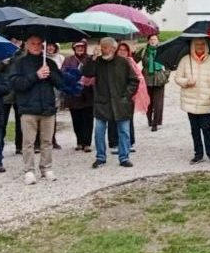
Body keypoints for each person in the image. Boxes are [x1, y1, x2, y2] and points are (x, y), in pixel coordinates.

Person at [8, 35, 65, 185]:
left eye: (39, 44)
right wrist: (36, 75)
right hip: (28, 107)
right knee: (28, 142)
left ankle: (46, 168)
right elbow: (16, 84)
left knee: (47, 141)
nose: (36, 46)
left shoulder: (49, 62)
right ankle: (29, 170)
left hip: (47, 107)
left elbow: (61, 83)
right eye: (33, 43)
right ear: (27, 45)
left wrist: (50, 74)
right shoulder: (19, 63)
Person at [84, 37, 140, 169]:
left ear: (113, 49)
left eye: (105, 47)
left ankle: (124, 157)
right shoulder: (97, 61)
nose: (102, 50)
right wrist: (92, 59)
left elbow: (134, 80)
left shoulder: (123, 62)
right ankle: (100, 157)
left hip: (121, 103)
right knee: (99, 132)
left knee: (124, 131)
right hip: (102, 103)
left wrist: (126, 96)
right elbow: (87, 73)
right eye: (101, 47)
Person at [175, 37, 210, 165]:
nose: (200, 46)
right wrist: (186, 81)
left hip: (206, 101)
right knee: (194, 129)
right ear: (192, 46)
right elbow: (177, 77)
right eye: (197, 44)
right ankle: (198, 154)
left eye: (202, 44)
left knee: (207, 128)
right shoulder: (185, 60)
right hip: (190, 101)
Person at [62, 40, 94, 152]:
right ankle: (79, 141)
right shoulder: (68, 60)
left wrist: (88, 79)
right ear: (74, 48)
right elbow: (63, 73)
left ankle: (87, 143)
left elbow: (95, 72)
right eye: (77, 47)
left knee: (88, 120)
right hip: (73, 94)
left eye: (82, 47)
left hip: (88, 94)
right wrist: (71, 77)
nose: (80, 49)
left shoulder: (90, 59)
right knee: (76, 120)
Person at [115, 41, 148, 152]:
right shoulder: (113, 62)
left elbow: (139, 78)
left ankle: (129, 142)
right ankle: (116, 143)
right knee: (115, 120)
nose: (122, 52)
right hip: (115, 95)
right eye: (120, 50)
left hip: (128, 95)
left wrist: (130, 92)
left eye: (125, 50)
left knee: (128, 119)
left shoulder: (130, 62)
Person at [139, 33, 169, 132]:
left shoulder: (162, 50)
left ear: (158, 41)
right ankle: (149, 120)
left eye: (155, 39)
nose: (153, 41)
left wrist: (166, 75)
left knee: (158, 103)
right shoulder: (144, 51)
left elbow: (169, 64)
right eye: (151, 39)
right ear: (148, 41)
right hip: (147, 79)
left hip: (159, 79)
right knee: (148, 102)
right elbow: (133, 60)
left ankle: (156, 123)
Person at [44, 42, 64, 150]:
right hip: (46, 88)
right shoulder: (42, 58)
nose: (50, 48)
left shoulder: (60, 58)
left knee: (53, 115)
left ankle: (52, 139)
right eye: (48, 45)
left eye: (52, 46)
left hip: (57, 88)